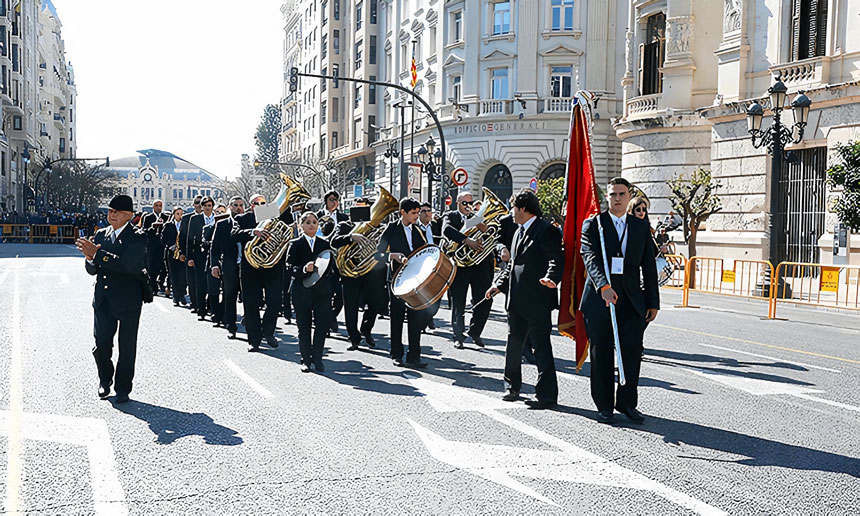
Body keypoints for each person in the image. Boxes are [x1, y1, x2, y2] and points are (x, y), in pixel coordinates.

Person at [580, 177, 659, 424]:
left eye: (622, 194)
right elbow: (589, 256)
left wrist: (653, 302)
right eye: (613, 194)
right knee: (601, 353)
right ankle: (604, 406)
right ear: (607, 197)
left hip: (632, 300)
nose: (617, 198)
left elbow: (649, 265)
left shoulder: (640, 226)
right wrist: (602, 285)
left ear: (629, 196)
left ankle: (626, 403)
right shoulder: (594, 225)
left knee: (632, 352)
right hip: (600, 299)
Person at [486, 189, 564, 410]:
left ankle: (547, 395)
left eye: (513, 208)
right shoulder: (518, 231)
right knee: (514, 344)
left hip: (538, 299)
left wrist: (551, 278)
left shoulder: (546, 230)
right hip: (516, 299)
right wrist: (497, 285)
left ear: (522, 208)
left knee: (541, 346)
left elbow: (555, 259)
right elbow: (512, 265)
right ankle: (511, 387)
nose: (510, 213)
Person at [75, 195, 147, 404]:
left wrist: (96, 256)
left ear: (129, 216)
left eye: (117, 212)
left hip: (129, 299)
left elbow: (126, 265)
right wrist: (89, 259)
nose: (111, 215)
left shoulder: (138, 236)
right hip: (104, 299)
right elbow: (93, 269)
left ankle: (123, 387)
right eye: (110, 211)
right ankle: (104, 379)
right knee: (102, 344)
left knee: (127, 346)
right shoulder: (100, 234)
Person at [376, 197, 431, 368]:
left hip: (415, 281)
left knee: (415, 317)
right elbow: (377, 254)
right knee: (397, 318)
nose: (416, 216)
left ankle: (414, 355)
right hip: (397, 280)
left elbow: (424, 252)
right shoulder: (392, 228)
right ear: (402, 213)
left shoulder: (418, 230)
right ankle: (396, 354)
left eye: (417, 213)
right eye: (413, 213)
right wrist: (392, 256)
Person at [232, 194, 290, 351]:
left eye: (264, 203)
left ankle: (268, 331)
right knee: (251, 304)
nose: (261, 205)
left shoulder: (274, 216)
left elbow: (290, 223)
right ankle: (254, 340)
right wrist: (253, 232)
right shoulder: (242, 218)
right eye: (257, 203)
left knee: (275, 301)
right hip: (250, 267)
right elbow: (234, 234)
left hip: (272, 267)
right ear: (251, 206)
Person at [329, 201, 384, 350]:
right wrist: (351, 236)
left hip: (371, 271)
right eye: (357, 207)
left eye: (364, 207)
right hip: (350, 273)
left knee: (375, 303)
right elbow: (333, 241)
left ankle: (366, 330)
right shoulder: (344, 225)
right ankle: (353, 337)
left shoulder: (376, 226)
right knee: (351, 306)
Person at [443, 192, 493, 348]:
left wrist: (483, 227)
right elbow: (446, 230)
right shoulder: (451, 215)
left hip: (480, 266)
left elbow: (492, 235)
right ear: (458, 202)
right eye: (465, 203)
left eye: (470, 202)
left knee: (483, 300)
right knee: (459, 302)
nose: (468, 206)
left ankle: (475, 332)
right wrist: (466, 240)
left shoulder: (479, 217)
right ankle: (458, 335)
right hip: (460, 266)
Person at [287, 211, 333, 372]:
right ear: (301, 225)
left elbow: (330, 268)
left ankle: (318, 358)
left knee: (321, 326)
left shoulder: (324, 244)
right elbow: (289, 268)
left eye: (314, 222)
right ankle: (306, 359)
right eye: (308, 222)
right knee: (304, 327)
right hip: (302, 292)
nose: (312, 225)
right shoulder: (295, 243)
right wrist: (303, 269)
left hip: (321, 292)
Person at [211, 196, 245, 338]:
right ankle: (231, 326)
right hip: (229, 264)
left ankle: (250, 323)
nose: (239, 208)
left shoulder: (249, 222)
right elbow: (215, 247)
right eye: (235, 205)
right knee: (229, 295)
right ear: (230, 207)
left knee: (248, 297)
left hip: (247, 265)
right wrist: (214, 265)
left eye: (241, 205)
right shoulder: (222, 224)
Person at [316, 190, 349, 333]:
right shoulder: (317, 216)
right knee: (325, 292)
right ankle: (326, 319)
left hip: (338, 259)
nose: (334, 202)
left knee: (340, 294)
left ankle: (331, 316)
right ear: (325, 201)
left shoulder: (343, 217)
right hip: (322, 257)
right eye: (331, 199)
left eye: (337, 199)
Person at [188, 196, 217, 321]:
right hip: (199, 255)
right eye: (204, 206)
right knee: (200, 284)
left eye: (209, 206)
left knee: (213, 284)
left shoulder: (217, 218)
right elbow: (190, 239)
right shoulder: (195, 219)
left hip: (213, 255)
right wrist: (190, 257)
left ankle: (212, 308)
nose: (207, 208)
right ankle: (201, 310)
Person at [417, 202, 442, 331]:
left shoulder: (437, 225)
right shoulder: (415, 227)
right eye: (423, 211)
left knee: (437, 295)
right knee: (424, 294)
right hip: (422, 265)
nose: (427, 213)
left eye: (429, 211)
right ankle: (426, 320)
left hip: (436, 263)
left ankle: (429, 316)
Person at [179, 195, 203, 312]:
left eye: (202, 202)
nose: (200, 205)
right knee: (192, 280)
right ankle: (194, 304)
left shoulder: (208, 217)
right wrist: (182, 252)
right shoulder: (187, 218)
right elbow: (183, 236)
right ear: (194, 204)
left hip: (203, 253)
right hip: (190, 253)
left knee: (203, 281)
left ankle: (204, 304)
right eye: (197, 202)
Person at [140, 200, 169, 294]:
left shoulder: (166, 217)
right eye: (156, 205)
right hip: (152, 245)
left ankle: (161, 281)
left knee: (164, 267)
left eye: (160, 206)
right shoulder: (148, 217)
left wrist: (163, 225)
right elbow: (144, 230)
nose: (158, 207)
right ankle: (153, 286)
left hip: (162, 245)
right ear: (153, 207)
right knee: (152, 267)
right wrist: (152, 227)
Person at [162, 207, 187, 306]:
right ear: (174, 215)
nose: (180, 216)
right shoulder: (169, 225)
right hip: (172, 253)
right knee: (173, 274)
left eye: (181, 214)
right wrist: (170, 245)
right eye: (178, 214)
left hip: (182, 253)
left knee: (182, 275)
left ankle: (182, 294)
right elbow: (163, 238)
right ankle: (176, 297)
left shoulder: (185, 224)